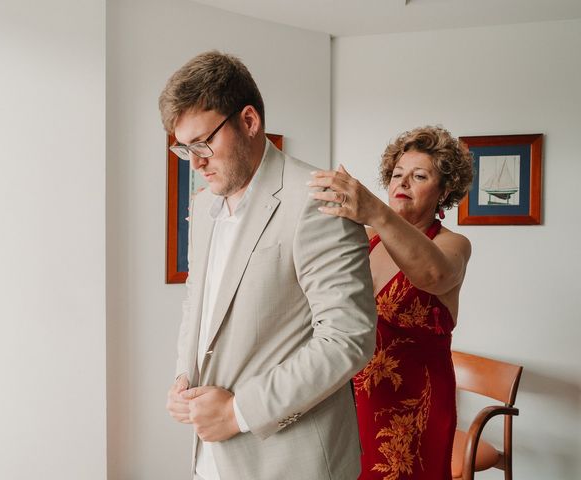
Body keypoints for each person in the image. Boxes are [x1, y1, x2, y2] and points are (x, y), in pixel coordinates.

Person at [160, 50, 377, 480]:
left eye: (203, 142)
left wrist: (239, 411)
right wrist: (184, 379)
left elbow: (347, 338)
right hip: (212, 457)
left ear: (249, 121)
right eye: (184, 149)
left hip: (292, 461)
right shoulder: (203, 207)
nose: (196, 161)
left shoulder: (318, 200)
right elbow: (198, 306)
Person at [309, 126, 473, 480]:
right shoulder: (366, 239)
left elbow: (433, 276)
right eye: (398, 174)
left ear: (444, 189)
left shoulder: (453, 244)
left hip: (414, 409)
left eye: (419, 175)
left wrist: (376, 211)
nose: (403, 182)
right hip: (353, 398)